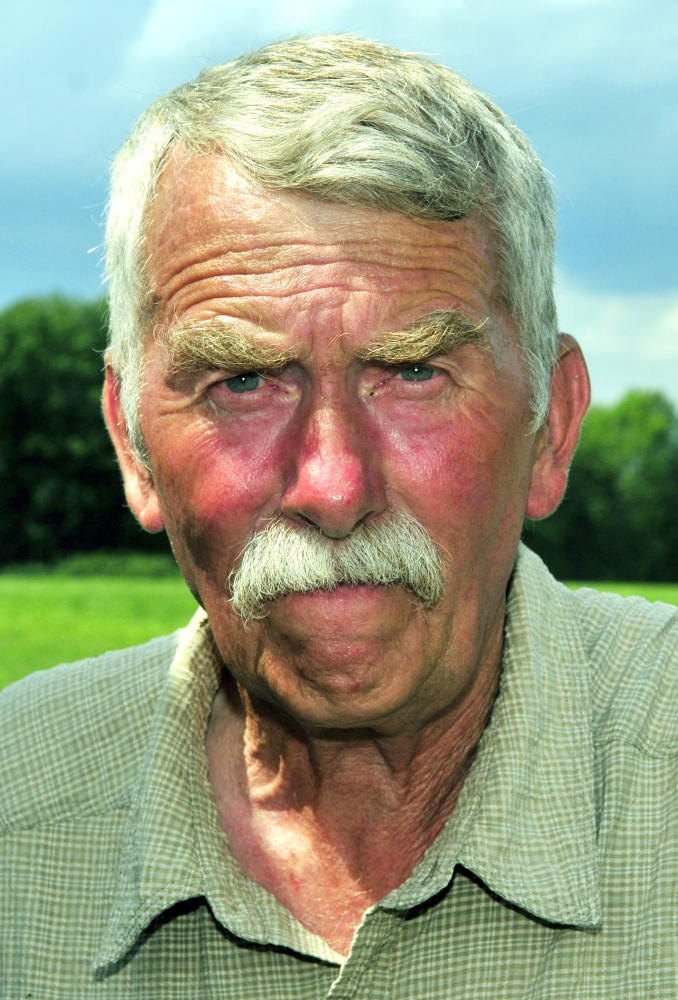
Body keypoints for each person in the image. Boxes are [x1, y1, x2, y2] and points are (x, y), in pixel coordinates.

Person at [1, 34, 677, 999]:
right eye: (242, 382)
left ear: (552, 427)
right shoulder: (15, 814)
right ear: (131, 447)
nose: (332, 484)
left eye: (413, 372)